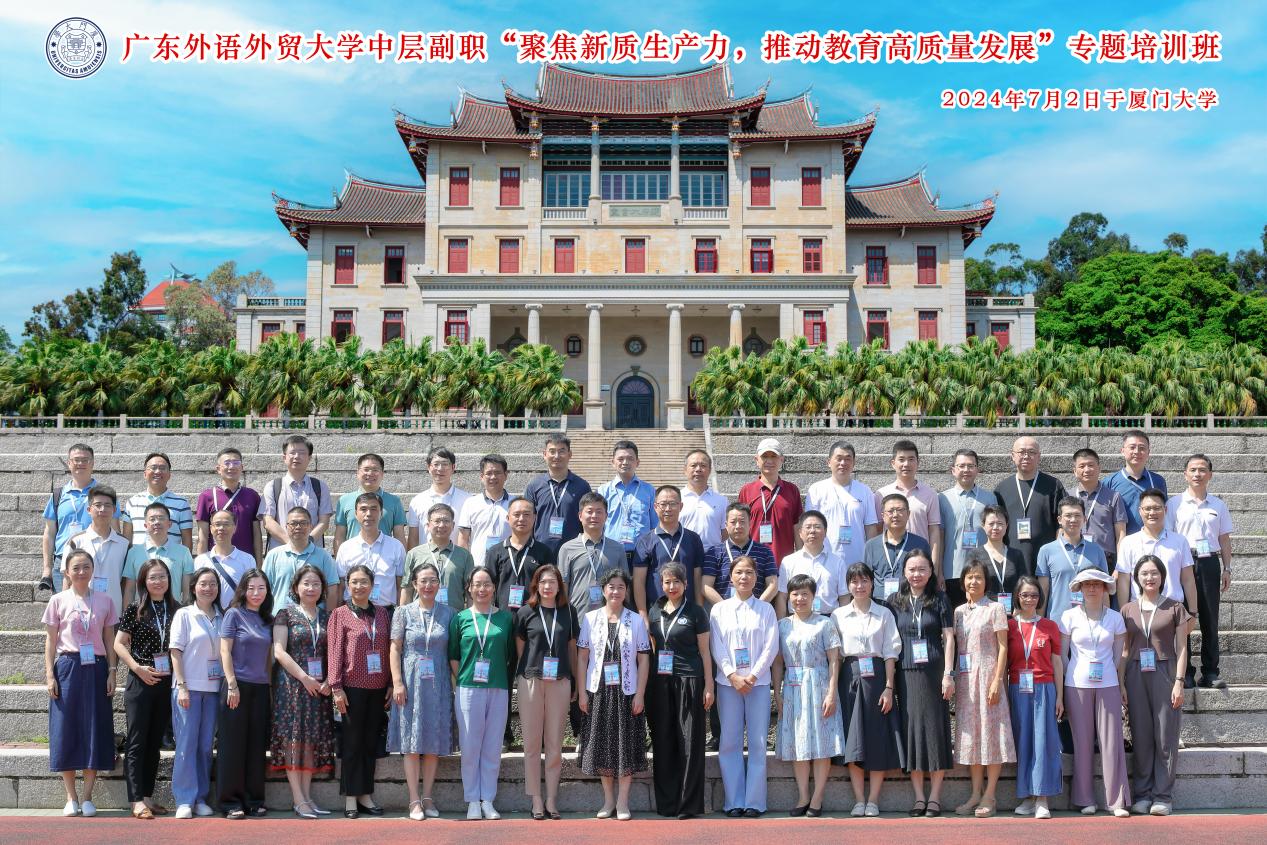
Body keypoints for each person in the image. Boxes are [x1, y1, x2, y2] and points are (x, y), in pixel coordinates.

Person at [44, 548, 118, 818]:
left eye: (86, 566)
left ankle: (87, 796)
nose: (81, 572)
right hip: (68, 666)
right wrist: (49, 674)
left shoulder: (105, 600)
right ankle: (70, 797)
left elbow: (109, 639)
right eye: (75, 567)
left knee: (94, 728)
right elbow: (51, 640)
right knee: (66, 728)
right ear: (66, 572)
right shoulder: (58, 600)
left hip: (97, 667)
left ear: (92, 570)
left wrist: (112, 671)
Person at [1121, 555, 1192, 816]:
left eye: (1154, 573)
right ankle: (1142, 794)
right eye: (1144, 573)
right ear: (1137, 578)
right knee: (1140, 735)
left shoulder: (1175, 607)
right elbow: (1124, 650)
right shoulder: (1128, 609)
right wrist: (1121, 682)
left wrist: (1179, 682)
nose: (1149, 578)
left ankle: (1163, 795)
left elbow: (1182, 648)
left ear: (1162, 576)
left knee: (1165, 736)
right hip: (1135, 673)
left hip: (1165, 672)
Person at [577, 569, 651, 820]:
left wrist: (640, 694)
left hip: (626, 692)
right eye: (611, 587)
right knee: (603, 746)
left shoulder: (636, 620)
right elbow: (582, 658)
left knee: (625, 746)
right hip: (598, 691)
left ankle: (623, 802)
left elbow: (644, 660)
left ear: (626, 591)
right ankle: (608, 800)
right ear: (603, 590)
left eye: (621, 587)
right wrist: (582, 693)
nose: (616, 591)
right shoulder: (590, 619)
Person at [832, 562, 903, 817]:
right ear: (848, 585)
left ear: (872, 583)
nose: (859, 586)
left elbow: (891, 652)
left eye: (864, 580)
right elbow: (835, 656)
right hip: (849, 678)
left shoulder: (884, 614)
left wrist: (889, 687)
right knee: (853, 738)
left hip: (877, 678)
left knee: (876, 737)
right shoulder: (838, 615)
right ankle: (859, 799)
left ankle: (873, 799)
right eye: (854, 581)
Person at [709, 555, 779, 817]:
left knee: (758, 742)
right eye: (739, 572)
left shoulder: (766, 610)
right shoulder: (719, 610)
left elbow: (771, 646)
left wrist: (753, 675)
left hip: (757, 684)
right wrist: (732, 675)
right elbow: (716, 645)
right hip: (728, 685)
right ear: (731, 577)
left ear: (756, 577)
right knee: (730, 741)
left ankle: (755, 802)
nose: (744, 577)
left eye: (749, 572)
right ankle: (734, 801)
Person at [889, 548, 955, 818]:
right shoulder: (894, 601)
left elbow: (949, 638)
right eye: (912, 569)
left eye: (922, 569)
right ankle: (919, 797)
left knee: (935, 731)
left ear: (930, 572)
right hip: (905, 674)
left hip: (934, 673)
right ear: (904, 572)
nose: (917, 574)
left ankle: (935, 797)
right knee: (912, 732)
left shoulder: (939, 599)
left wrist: (948, 673)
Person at [1060, 567, 1131, 817]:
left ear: (1105, 589)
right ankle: (1084, 799)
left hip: (1108, 683)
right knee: (1082, 743)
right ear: (1079, 588)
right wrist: (1073, 673)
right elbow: (1063, 656)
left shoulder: (1115, 618)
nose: (1092, 588)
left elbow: (1119, 655)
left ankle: (1117, 800)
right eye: (1087, 584)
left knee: (1111, 743)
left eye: (1097, 584)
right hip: (1076, 684)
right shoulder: (1068, 617)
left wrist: (1114, 676)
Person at [772, 574, 845, 817]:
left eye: (805, 594)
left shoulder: (825, 623)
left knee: (822, 743)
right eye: (795, 593)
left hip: (819, 685)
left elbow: (834, 661)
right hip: (792, 688)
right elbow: (778, 663)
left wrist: (831, 693)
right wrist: (777, 692)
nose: (800, 598)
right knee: (798, 743)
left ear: (813, 596)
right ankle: (803, 795)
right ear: (789, 596)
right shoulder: (782, 625)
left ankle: (817, 797)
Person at [556, 492, 628, 736]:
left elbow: (624, 586)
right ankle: (581, 734)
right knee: (580, 678)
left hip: (610, 623)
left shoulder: (616, 548)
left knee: (608, 677)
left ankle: (607, 732)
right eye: (589, 511)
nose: (594, 516)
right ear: (580, 515)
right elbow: (563, 588)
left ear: (606, 515)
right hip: (578, 622)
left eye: (599, 511)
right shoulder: (567, 548)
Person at [646, 562, 714, 819]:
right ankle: (667, 803)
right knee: (663, 740)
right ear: (661, 585)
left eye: (676, 581)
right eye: (667, 582)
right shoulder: (655, 609)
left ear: (685, 584)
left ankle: (688, 804)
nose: (672, 586)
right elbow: (653, 645)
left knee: (690, 742)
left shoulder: (696, 612)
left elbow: (705, 652)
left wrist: (709, 685)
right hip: (660, 682)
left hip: (690, 680)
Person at [389, 562, 456, 821]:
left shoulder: (449, 613)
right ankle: (413, 799)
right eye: (423, 581)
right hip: (410, 682)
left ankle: (427, 796)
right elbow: (395, 648)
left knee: (432, 740)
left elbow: (453, 651)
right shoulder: (402, 612)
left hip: (438, 683)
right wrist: (397, 682)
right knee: (411, 742)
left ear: (439, 584)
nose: (428, 585)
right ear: (415, 584)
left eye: (433, 581)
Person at [449, 566, 515, 820]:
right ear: (469, 588)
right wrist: (464, 678)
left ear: (494, 587)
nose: (482, 589)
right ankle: (472, 801)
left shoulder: (506, 619)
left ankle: (487, 799)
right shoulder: (460, 618)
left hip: (498, 687)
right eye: (477, 584)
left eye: (487, 584)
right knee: (469, 746)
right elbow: (454, 656)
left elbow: (510, 654)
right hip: (468, 688)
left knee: (492, 747)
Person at [270, 565, 336, 819]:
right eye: (306, 583)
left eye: (316, 584)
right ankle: (298, 799)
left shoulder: (327, 616)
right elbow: (279, 651)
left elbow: (334, 652)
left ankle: (308, 797)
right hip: (293, 685)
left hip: (319, 688)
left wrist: (329, 679)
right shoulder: (285, 614)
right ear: (296, 587)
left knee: (311, 739)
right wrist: (304, 678)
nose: (311, 588)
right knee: (293, 738)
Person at [114, 558, 178, 819]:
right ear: (144, 581)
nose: (158, 581)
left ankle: (148, 797)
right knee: (137, 740)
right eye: (153, 577)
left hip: (165, 682)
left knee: (154, 742)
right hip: (140, 680)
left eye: (162, 576)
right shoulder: (135, 608)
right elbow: (119, 644)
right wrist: (137, 668)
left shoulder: (177, 609)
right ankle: (136, 799)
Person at [328, 564, 392, 818]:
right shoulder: (340, 614)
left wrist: (390, 682)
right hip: (351, 688)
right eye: (354, 581)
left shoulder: (382, 614)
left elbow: (389, 649)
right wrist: (336, 687)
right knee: (352, 743)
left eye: (364, 581)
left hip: (378, 688)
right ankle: (351, 798)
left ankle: (366, 794)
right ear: (347, 585)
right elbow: (335, 652)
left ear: (372, 585)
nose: (359, 586)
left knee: (369, 743)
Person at [514, 564, 578, 820]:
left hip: (560, 680)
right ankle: (536, 798)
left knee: (554, 743)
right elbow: (520, 648)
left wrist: (574, 679)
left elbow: (572, 649)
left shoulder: (569, 612)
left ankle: (551, 798)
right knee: (531, 744)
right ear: (536, 586)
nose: (548, 586)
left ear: (559, 586)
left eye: (552, 582)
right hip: (531, 680)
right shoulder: (525, 612)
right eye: (543, 582)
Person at [953, 557, 1015, 817]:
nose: (974, 581)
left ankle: (990, 795)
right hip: (966, 680)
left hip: (989, 675)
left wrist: (998, 680)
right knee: (973, 737)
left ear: (986, 581)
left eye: (978, 577)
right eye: (969, 577)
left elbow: (1003, 647)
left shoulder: (995, 609)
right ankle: (975, 794)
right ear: (963, 581)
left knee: (992, 733)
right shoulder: (958, 612)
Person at [1116, 489, 1198, 681]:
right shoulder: (1128, 542)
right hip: (1139, 611)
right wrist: (1124, 611)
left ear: (1165, 510)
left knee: (1175, 666)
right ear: (1140, 511)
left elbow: (1188, 579)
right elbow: (1124, 580)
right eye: (1147, 509)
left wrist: (1193, 613)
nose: (1152, 512)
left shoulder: (1179, 541)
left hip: (1172, 610)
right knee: (1138, 668)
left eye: (1157, 508)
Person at [1167, 454, 1233, 689]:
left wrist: (1227, 568)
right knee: (1182, 616)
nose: (1198, 474)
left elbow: (1224, 539)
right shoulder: (1174, 504)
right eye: (1193, 470)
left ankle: (1211, 672)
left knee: (1209, 617)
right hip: (1182, 562)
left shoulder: (1218, 505)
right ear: (1185, 474)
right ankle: (1185, 672)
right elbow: (1169, 536)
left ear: (1210, 475)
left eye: (1203, 470)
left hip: (1209, 562)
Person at [217, 569, 273, 819]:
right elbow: (225, 651)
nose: (256, 593)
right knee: (233, 746)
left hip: (260, 688)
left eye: (261, 588)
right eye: (251, 588)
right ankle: (230, 802)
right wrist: (231, 684)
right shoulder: (233, 614)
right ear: (243, 590)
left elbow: (269, 658)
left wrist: (269, 688)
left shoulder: (267, 619)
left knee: (256, 746)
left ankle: (253, 799)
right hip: (236, 686)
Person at [1007, 575, 1064, 820]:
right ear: (1017, 597)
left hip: (1044, 688)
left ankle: (1042, 798)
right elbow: (1004, 661)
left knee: (1043, 742)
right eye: (1025, 595)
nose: (1030, 599)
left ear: (1040, 598)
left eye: (1034, 595)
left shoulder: (1049, 626)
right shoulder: (1009, 626)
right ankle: (1028, 797)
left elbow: (1057, 662)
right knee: (1023, 742)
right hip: (1017, 689)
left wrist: (1060, 696)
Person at [169, 567, 222, 819]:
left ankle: (200, 797)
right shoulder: (184, 614)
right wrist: (182, 686)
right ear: (193, 587)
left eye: (213, 584)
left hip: (213, 690)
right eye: (203, 583)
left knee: (205, 746)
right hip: (187, 689)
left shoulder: (222, 616)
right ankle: (184, 799)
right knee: (186, 745)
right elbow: (175, 652)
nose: (208, 588)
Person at [41, 442, 119, 592]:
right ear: (69, 463)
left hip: (96, 559)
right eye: (76, 460)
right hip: (63, 562)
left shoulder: (105, 494)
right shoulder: (58, 495)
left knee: (96, 605)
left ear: (92, 463)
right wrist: (47, 568)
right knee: (65, 605)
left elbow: (115, 529)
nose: (80, 464)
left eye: (85, 460)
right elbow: (49, 533)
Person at [992, 436, 1067, 576]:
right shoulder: (1002, 489)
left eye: (1031, 452)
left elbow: (1061, 524)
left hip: (1046, 561)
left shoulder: (1053, 485)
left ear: (1039, 456)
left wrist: (1058, 554)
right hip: (1011, 561)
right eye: (1021, 452)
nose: (1026, 456)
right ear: (1012, 456)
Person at [938, 449, 997, 609]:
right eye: (961, 466)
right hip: (953, 570)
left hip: (983, 570)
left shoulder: (989, 498)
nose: (966, 470)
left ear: (977, 469)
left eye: (971, 466)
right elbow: (940, 536)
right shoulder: (942, 499)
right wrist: (939, 572)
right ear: (953, 470)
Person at [634, 485, 706, 616]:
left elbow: (697, 578)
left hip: (688, 612)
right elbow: (639, 581)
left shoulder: (693, 539)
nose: (668, 509)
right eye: (663, 504)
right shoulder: (645, 541)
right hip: (657, 613)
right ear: (655, 507)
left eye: (673, 504)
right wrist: (643, 614)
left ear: (681, 506)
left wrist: (700, 611)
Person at [806, 440, 880, 566]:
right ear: (829, 462)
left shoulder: (865, 491)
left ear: (854, 463)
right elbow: (810, 526)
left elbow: (870, 528)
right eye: (839, 458)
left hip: (857, 561)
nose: (843, 463)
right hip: (824, 560)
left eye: (847, 459)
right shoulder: (816, 490)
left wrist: (870, 561)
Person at [60, 485, 129, 619]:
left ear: (114, 510)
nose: (102, 509)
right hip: (80, 613)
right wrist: (64, 613)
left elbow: (127, 584)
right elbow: (67, 579)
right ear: (89, 510)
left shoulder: (124, 544)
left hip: (113, 613)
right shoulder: (75, 541)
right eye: (98, 505)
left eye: (107, 505)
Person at [1037, 497, 1110, 621]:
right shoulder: (1046, 550)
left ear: (1084, 519)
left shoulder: (1097, 550)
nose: (1073, 520)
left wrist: (1106, 620)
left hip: (1091, 621)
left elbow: (1104, 590)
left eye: (1077, 515)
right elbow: (1043, 589)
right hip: (1057, 621)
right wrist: (1039, 622)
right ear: (1059, 520)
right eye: (1068, 515)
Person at [875, 440, 943, 567]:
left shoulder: (930, 494)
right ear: (893, 463)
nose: (906, 464)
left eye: (911, 459)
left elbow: (934, 531)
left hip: (920, 560)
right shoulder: (881, 494)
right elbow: (878, 529)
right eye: (901, 459)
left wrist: (934, 568)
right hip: (891, 558)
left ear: (918, 463)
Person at [737, 437, 803, 566]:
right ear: (757, 460)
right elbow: (740, 525)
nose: (769, 461)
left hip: (784, 562)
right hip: (752, 562)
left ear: (781, 460)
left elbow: (797, 527)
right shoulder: (746, 491)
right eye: (764, 456)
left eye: (774, 456)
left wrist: (801, 558)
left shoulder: (792, 490)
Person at [260, 434, 333, 551]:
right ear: (284, 457)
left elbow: (324, 522)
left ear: (309, 458)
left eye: (302, 453)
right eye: (292, 453)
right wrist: (291, 544)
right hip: (281, 552)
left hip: (312, 552)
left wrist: (307, 543)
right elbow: (268, 522)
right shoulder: (273, 487)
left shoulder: (320, 487)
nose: (297, 456)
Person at [523, 434, 592, 554]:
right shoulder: (534, 485)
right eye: (552, 451)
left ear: (570, 454)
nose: (556, 456)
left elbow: (587, 520)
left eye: (561, 451)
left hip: (573, 551)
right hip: (540, 551)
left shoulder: (582, 486)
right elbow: (527, 518)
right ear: (544, 454)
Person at [262, 507, 341, 611]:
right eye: (293, 523)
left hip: (315, 618)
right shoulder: (273, 555)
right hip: (278, 618)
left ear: (311, 526)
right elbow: (264, 588)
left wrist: (329, 617)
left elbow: (332, 590)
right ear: (286, 527)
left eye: (303, 523)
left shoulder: (324, 556)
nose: (298, 527)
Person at [335, 493, 405, 609]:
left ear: (381, 513)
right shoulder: (345, 548)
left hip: (386, 611)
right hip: (353, 611)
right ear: (356, 514)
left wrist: (400, 613)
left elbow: (401, 584)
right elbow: (341, 584)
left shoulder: (396, 546)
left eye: (373, 509)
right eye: (363, 509)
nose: (368, 514)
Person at [702, 503, 779, 605]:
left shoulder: (765, 551)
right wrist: (724, 608)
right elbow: (706, 586)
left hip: (756, 611)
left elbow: (773, 585)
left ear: (750, 524)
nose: (738, 526)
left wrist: (758, 606)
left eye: (742, 521)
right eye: (733, 522)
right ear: (726, 525)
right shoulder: (714, 552)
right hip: (725, 611)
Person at [402, 502, 473, 611]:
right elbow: (407, 589)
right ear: (428, 525)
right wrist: (402, 616)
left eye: (446, 521)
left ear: (453, 525)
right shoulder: (414, 554)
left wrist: (471, 618)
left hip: (454, 617)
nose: (441, 525)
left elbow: (470, 592)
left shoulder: (464, 555)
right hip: (421, 617)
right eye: (437, 521)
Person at [487, 497, 554, 612]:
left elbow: (550, 585)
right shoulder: (495, 551)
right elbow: (489, 586)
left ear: (534, 518)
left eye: (526, 514)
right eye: (516, 514)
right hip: (502, 615)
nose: (521, 519)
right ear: (508, 518)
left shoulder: (544, 552)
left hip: (534, 616)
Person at [195, 447, 262, 561]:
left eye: (236, 463)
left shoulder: (252, 496)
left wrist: (259, 563)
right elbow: (203, 536)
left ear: (242, 467)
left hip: (245, 561)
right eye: (227, 463)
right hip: (216, 561)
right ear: (218, 469)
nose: (231, 467)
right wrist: (201, 565)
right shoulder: (207, 496)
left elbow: (257, 534)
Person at [862, 493, 932, 602]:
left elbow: (928, 578)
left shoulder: (920, 544)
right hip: (879, 605)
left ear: (908, 514)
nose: (895, 515)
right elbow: (866, 579)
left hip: (910, 604)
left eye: (900, 510)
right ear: (883, 515)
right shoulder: (871, 545)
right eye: (890, 511)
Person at [122, 502, 194, 607]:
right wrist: (127, 615)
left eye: (161, 518)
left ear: (169, 524)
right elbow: (129, 590)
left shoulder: (183, 552)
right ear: (145, 525)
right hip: (141, 613)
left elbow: (187, 592)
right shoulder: (134, 552)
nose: (157, 522)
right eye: (152, 519)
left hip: (173, 612)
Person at [598, 440, 658, 565]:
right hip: (610, 554)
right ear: (613, 462)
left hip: (642, 555)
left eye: (630, 459)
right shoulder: (603, 491)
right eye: (620, 459)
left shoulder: (649, 491)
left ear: (637, 462)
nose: (625, 462)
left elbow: (655, 525)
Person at [776, 511, 846, 617]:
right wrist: (781, 623)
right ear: (800, 533)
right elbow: (782, 596)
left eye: (817, 527)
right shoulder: (788, 562)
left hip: (829, 618)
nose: (812, 531)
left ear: (825, 532)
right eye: (808, 527)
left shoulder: (838, 562)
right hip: (797, 618)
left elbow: (844, 597)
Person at [333, 453, 408, 551]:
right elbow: (339, 536)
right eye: (366, 469)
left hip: (385, 556)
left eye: (375, 470)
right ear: (358, 473)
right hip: (353, 556)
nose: (370, 473)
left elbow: (399, 536)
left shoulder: (394, 501)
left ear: (382, 474)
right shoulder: (344, 500)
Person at [122, 451, 193, 550]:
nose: (158, 471)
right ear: (145, 474)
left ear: (169, 475)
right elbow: (126, 540)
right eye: (153, 467)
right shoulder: (132, 503)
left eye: (162, 468)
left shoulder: (182, 504)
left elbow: (187, 541)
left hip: (171, 559)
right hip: (139, 559)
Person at [1072, 448, 1127, 572]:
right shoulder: (1068, 496)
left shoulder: (1113, 497)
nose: (1087, 470)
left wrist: (1119, 567)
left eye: (1091, 465)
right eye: (1082, 466)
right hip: (1075, 557)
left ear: (1099, 468)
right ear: (1075, 471)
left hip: (1105, 559)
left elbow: (1121, 534)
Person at [406, 446, 471, 550]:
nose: (440, 469)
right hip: (425, 559)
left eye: (445, 464)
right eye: (436, 464)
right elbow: (413, 538)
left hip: (456, 558)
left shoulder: (467, 500)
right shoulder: (417, 501)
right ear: (429, 467)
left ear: (453, 467)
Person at [1106, 430, 1167, 535]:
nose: (1137, 451)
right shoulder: (1109, 482)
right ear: (1122, 451)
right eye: (1132, 447)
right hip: (1123, 541)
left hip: (1153, 539)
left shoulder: (1158, 481)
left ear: (1148, 452)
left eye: (1142, 448)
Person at [194, 509, 257, 612]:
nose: (221, 528)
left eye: (226, 524)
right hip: (208, 616)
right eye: (217, 524)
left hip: (237, 616)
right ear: (211, 528)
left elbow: (252, 591)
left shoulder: (247, 559)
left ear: (234, 528)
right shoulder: (200, 560)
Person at [457, 454, 513, 568]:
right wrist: (465, 566)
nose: (493, 477)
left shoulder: (515, 504)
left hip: (508, 565)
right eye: (489, 473)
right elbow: (463, 538)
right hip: (478, 566)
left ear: (506, 475)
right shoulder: (471, 503)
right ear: (482, 476)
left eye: (497, 473)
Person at [977, 507, 1026, 610]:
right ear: (983, 526)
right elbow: (970, 587)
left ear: (1006, 526)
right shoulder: (975, 555)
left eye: (1000, 523)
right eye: (991, 524)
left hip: (1014, 612)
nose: (995, 527)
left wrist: (1019, 608)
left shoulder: (1016, 555)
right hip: (985, 612)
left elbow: (1023, 585)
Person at [680, 449, 728, 547]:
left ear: (710, 470)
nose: (698, 469)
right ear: (685, 470)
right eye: (693, 465)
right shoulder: (676, 499)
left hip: (714, 554)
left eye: (703, 465)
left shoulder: (722, 501)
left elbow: (725, 533)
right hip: (684, 553)